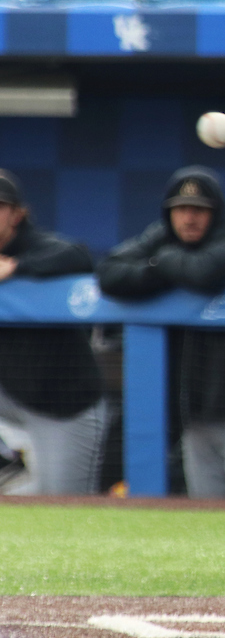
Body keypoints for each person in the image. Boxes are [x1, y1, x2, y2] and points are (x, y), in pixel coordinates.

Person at [96, 166, 225, 500]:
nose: (189, 218)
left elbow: (204, 273)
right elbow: (109, 272)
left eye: (199, 210)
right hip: (197, 421)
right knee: (206, 525)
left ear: (216, 213)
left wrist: (160, 263)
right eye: (181, 209)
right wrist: (164, 266)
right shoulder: (161, 236)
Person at [0, 169, 108, 494]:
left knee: (63, 509)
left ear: (17, 214)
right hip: (12, 399)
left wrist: (19, 267)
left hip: (64, 407)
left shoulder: (38, 246)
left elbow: (79, 256)